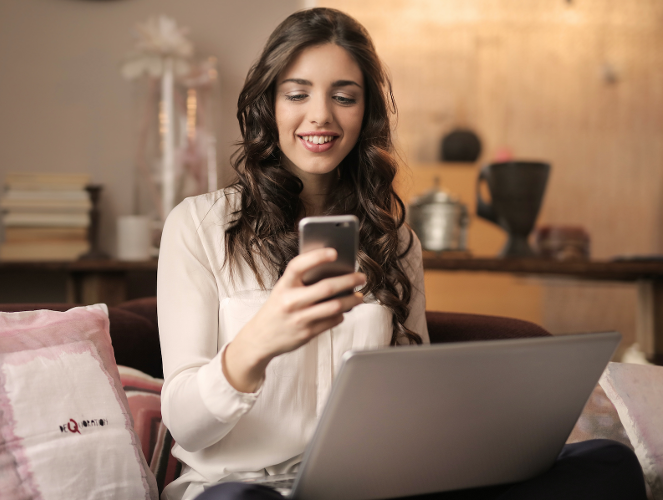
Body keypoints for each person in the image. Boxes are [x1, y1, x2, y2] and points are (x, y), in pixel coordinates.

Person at [157, 8, 646, 500]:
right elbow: (187, 425)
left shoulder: (395, 241)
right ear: (270, 104)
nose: (321, 115)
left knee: (608, 464)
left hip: (367, 486)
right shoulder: (199, 227)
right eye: (298, 93)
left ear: (364, 112)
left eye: (343, 97)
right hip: (241, 488)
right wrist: (258, 341)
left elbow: (413, 396)